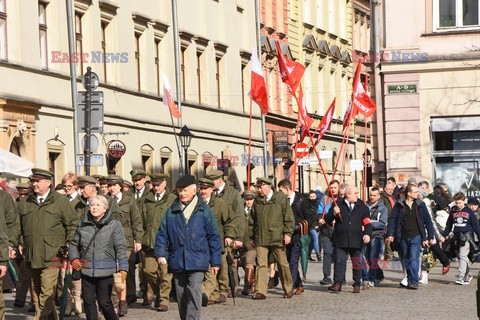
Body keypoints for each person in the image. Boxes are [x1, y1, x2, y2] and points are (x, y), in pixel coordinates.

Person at [154, 174, 222, 320]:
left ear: (194, 190)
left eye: (185, 190)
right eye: (179, 190)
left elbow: (214, 237)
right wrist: (160, 253)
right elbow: (162, 234)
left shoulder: (204, 211)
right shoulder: (171, 211)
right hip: (177, 258)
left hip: (198, 259)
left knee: (193, 290)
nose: (182, 193)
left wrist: (216, 261)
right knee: (181, 294)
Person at [17, 168, 78, 319]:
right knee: (38, 293)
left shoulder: (61, 201)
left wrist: (69, 243)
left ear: (48, 182)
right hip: (32, 255)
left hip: (53, 255)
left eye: (37, 181)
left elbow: (73, 224)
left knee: (47, 292)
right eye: (33, 181)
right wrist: (19, 242)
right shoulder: (25, 203)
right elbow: (18, 226)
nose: (34, 184)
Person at [69, 195, 128, 320]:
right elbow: (74, 244)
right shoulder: (83, 223)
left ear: (105, 208)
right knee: (89, 302)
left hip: (106, 270)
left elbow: (121, 248)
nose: (94, 207)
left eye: (98, 205)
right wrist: (74, 259)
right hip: (86, 270)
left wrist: (123, 269)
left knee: (104, 302)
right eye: (92, 205)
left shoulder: (114, 225)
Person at [249, 177, 295, 300]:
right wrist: (252, 236)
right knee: (261, 265)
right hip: (261, 237)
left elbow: (289, 217)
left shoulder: (281, 198)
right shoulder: (257, 201)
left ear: (269, 187)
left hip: (277, 237)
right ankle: (261, 291)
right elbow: (252, 220)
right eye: (258, 187)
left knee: (282, 263)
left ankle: (288, 288)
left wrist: (288, 233)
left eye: (261, 187)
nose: (259, 190)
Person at [325, 186, 372, 293]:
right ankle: (337, 283)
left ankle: (357, 284)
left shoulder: (362, 206)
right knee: (339, 261)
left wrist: (367, 234)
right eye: (355, 193)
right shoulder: (338, 204)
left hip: (356, 239)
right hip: (341, 239)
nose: (357, 195)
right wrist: (333, 213)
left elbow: (367, 222)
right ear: (348, 195)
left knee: (357, 262)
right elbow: (327, 220)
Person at [140, 173, 176, 311]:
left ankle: (163, 301)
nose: (156, 188)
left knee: (165, 274)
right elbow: (141, 220)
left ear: (165, 184)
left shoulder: (172, 200)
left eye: (158, 185)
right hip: (150, 243)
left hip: (168, 244)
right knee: (148, 271)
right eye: (154, 185)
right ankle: (160, 293)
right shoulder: (146, 200)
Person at [107, 175, 143, 316]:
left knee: (121, 272)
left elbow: (137, 220)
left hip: (126, 242)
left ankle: (122, 302)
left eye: (114, 185)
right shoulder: (106, 200)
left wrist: (138, 239)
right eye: (110, 185)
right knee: (113, 272)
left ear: (120, 186)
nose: (112, 188)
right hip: (109, 242)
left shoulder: (129, 200)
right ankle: (115, 302)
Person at [386, 185, 434, 289]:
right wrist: (390, 234)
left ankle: (414, 281)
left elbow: (428, 221)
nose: (418, 193)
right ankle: (409, 279)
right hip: (402, 236)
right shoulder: (399, 204)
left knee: (413, 258)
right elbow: (392, 219)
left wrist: (429, 236)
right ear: (409, 193)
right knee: (405, 259)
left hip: (416, 236)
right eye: (415, 192)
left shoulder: (421, 205)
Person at [198, 178, 237, 305]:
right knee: (209, 269)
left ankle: (223, 291)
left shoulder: (220, 204)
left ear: (212, 189)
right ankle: (213, 294)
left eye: (205, 189)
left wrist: (229, 235)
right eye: (201, 188)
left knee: (222, 269)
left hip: (219, 241)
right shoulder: (197, 204)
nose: (203, 191)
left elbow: (231, 221)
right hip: (202, 243)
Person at [277, 179, 313, 295]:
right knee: (287, 261)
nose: (279, 192)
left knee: (293, 261)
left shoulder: (302, 200)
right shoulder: (281, 200)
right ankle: (299, 284)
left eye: (281, 190)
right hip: (285, 235)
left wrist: (299, 226)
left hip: (298, 235)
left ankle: (290, 287)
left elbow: (310, 218)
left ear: (287, 189)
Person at [442, 192, 480, 285]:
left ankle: (461, 276)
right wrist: (443, 235)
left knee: (463, 255)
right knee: (461, 257)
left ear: (464, 201)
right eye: (457, 203)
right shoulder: (453, 211)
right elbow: (449, 225)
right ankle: (468, 275)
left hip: (467, 237)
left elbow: (475, 225)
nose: (458, 205)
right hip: (456, 238)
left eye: (460, 203)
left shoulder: (469, 211)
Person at [363, 187, 387, 289]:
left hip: (376, 235)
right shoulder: (365, 206)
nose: (372, 197)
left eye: (374, 196)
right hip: (365, 235)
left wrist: (368, 224)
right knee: (368, 258)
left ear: (378, 196)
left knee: (373, 258)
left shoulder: (383, 208)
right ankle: (380, 274)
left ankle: (370, 279)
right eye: (370, 195)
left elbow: (382, 223)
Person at [318, 180, 340, 285]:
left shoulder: (342, 200)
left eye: (335, 187)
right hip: (327, 229)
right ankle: (326, 276)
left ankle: (339, 277)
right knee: (327, 252)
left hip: (339, 230)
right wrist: (320, 219)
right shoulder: (325, 199)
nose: (333, 190)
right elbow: (319, 212)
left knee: (338, 254)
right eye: (331, 188)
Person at [240, 190, 257, 295]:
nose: (249, 202)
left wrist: (255, 238)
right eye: (247, 199)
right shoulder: (241, 210)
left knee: (249, 263)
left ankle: (250, 284)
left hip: (252, 242)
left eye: (251, 199)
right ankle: (251, 282)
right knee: (244, 263)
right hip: (242, 242)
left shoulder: (256, 211)